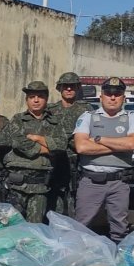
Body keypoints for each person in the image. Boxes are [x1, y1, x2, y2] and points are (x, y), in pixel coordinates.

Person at [73, 76, 134, 243]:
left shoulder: (132, 117)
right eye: (108, 93)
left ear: (123, 98)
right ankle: (77, 256)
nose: (113, 97)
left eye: (117, 94)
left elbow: (131, 144)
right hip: (91, 181)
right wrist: (119, 145)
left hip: (119, 183)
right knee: (81, 226)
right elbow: (81, 147)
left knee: (120, 229)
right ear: (101, 97)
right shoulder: (88, 117)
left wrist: (99, 139)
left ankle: (117, 256)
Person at [2, 81, 66, 223]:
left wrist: (37, 138)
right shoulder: (17, 120)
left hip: (40, 186)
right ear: (27, 100)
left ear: (46, 99)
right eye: (32, 97)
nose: (36, 100)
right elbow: (18, 142)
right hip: (16, 185)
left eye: (40, 96)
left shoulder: (54, 123)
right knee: (12, 226)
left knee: (35, 227)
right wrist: (47, 149)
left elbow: (62, 145)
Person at [46, 72, 94, 217]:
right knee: (54, 203)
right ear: (59, 88)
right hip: (55, 161)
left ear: (77, 88)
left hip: (78, 162)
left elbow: (92, 135)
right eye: (65, 86)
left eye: (72, 86)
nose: (68, 89)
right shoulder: (50, 110)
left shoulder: (86, 109)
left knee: (76, 203)